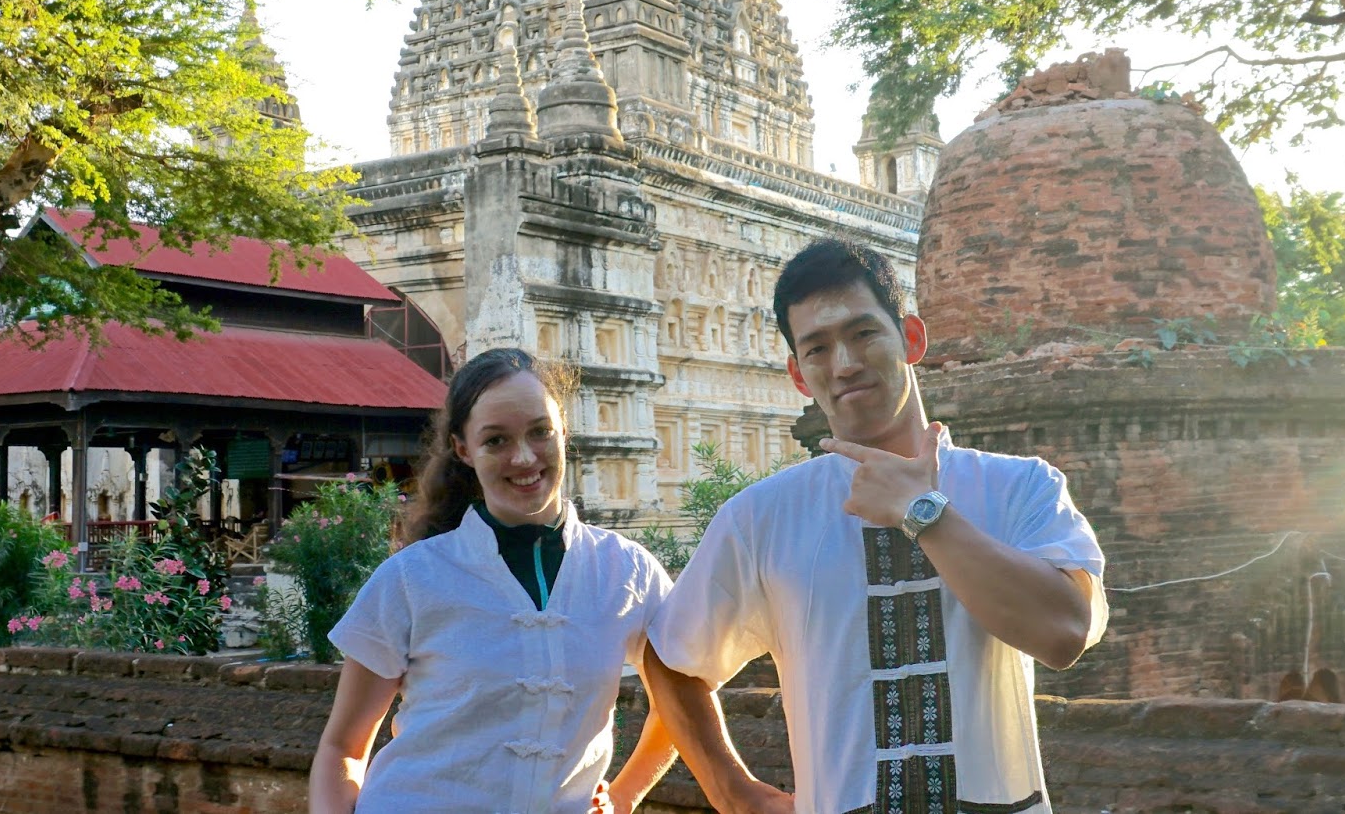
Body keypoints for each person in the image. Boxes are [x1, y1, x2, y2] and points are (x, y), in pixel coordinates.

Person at [644, 239, 1108, 814]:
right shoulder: (762, 517)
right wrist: (733, 792)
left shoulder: (1019, 487)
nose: (844, 364)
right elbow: (670, 656)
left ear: (911, 338)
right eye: (817, 348)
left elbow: (1064, 632)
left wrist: (924, 513)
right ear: (798, 374)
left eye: (864, 333)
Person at [311, 348, 678, 813]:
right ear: (463, 449)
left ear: (564, 429)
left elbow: (681, 705)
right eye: (496, 440)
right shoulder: (411, 578)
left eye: (540, 431)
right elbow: (342, 747)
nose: (524, 457)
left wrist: (623, 798)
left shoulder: (626, 571)